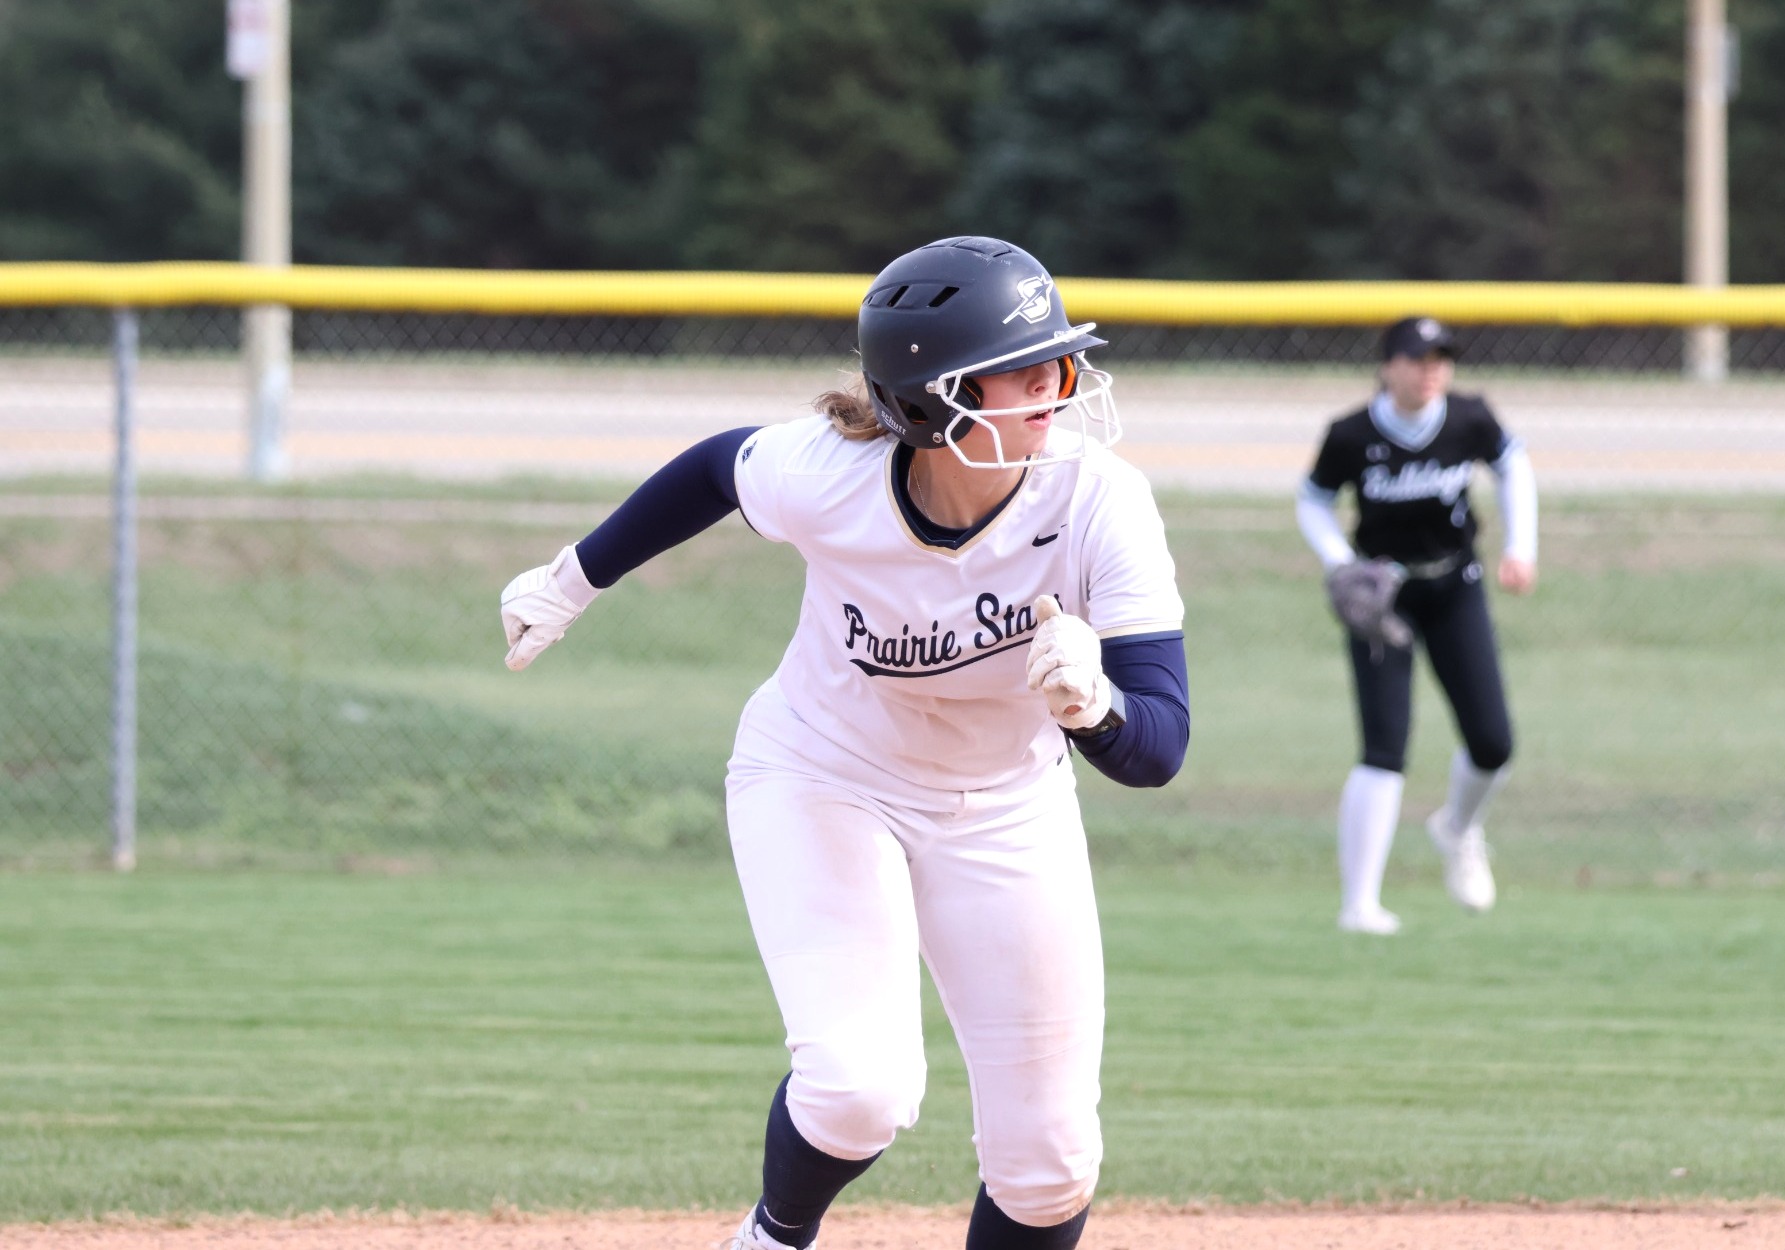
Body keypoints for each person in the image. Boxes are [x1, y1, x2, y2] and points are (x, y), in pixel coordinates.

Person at [498, 236, 1189, 1250]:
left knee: (1049, 1162)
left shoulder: (1096, 498)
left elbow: (1159, 744)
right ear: (926, 403)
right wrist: (569, 579)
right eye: (1018, 368)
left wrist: (1096, 709)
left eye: (1059, 358)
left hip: (1004, 801)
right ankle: (774, 1234)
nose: (1057, 383)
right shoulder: (831, 474)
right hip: (822, 773)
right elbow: (711, 470)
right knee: (859, 1087)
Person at [1295, 315, 1538, 935]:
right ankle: (1360, 906)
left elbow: (1514, 466)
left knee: (1494, 741)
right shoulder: (1352, 433)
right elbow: (1314, 498)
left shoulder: (1468, 418)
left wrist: (1522, 547)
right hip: (1382, 596)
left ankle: (1457, 829)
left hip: (1456, 585)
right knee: (1384, 747)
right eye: (1417, 358)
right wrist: (1339, 564)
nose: (1431, 370)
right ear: (1388, 366)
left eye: (1440, 359)